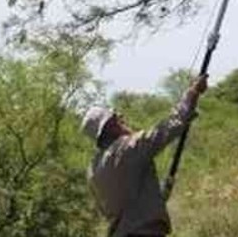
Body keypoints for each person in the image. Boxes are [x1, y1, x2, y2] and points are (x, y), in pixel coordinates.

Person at [83, 75, 208, 237]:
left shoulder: (92, 171)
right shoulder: (127, 147)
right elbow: (168, 127)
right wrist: (193, 92)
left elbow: (121, 206)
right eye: (117, 117)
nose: (122, 118)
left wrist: (158, 196)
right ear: (110, 126)